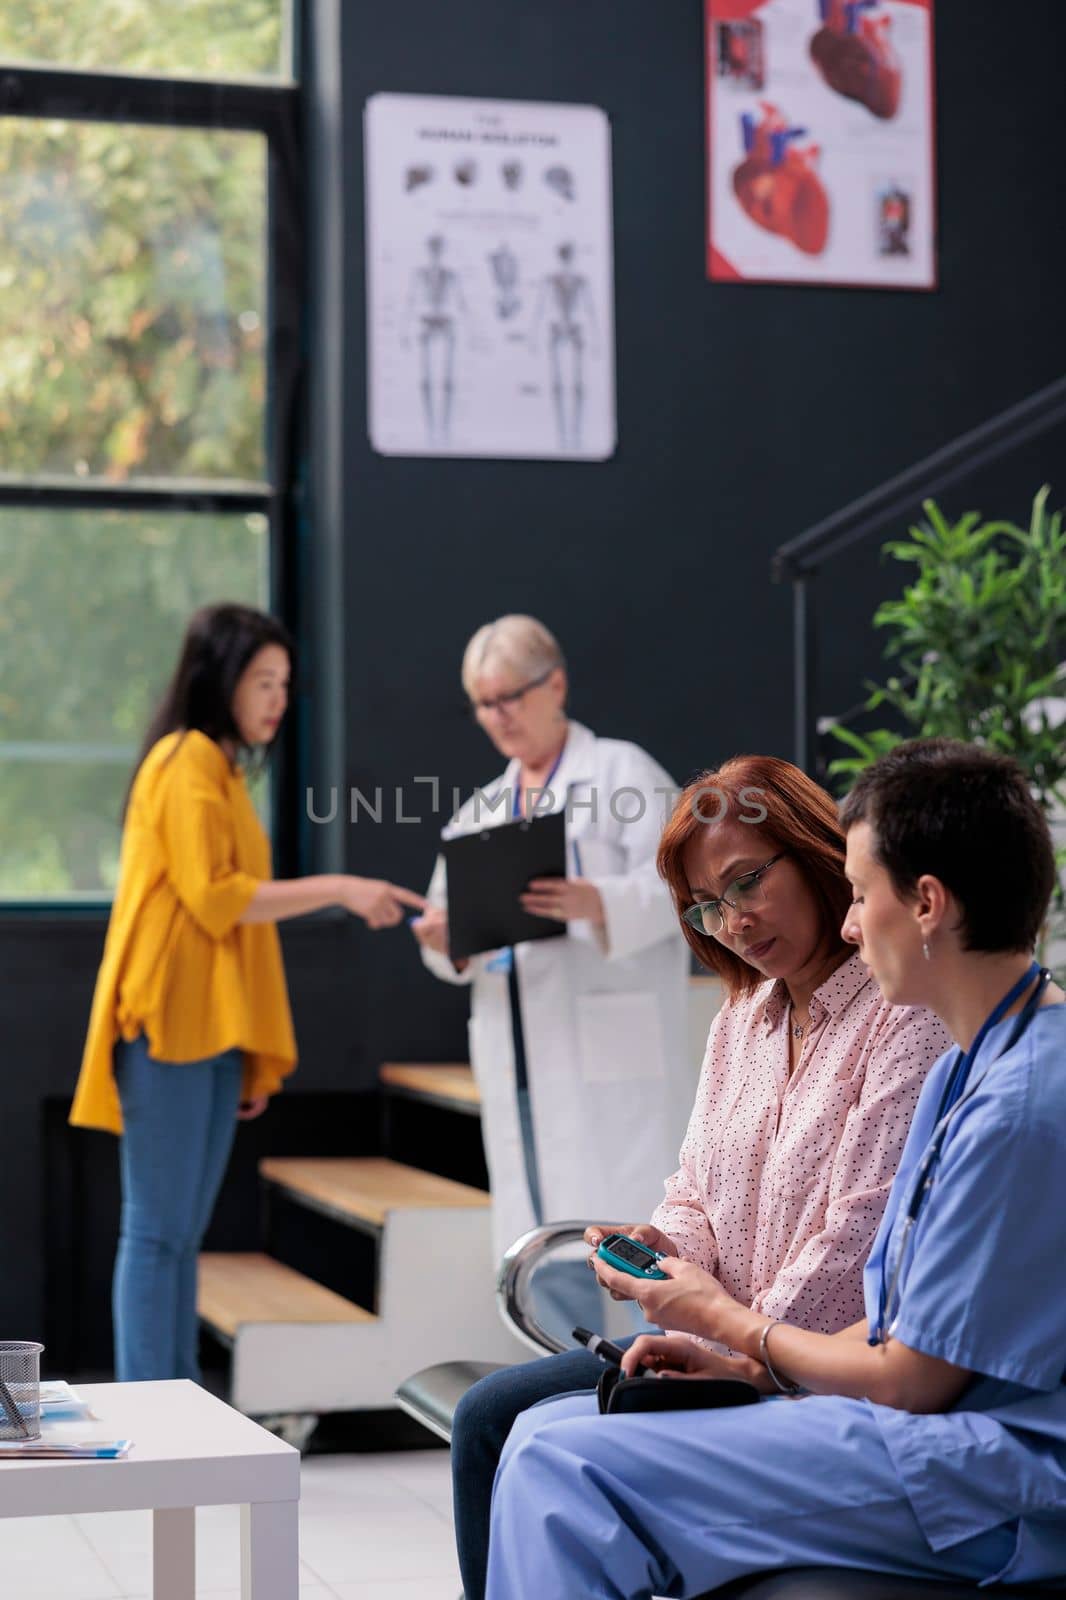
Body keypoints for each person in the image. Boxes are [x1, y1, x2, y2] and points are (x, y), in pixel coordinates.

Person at [484, 738, 1066, 1599]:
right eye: (709, 906)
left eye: (862, 895)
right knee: (535, 1440)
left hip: (988, 1472)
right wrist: (744, 1358)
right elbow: (893, 1321)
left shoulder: (1016, 1097)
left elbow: (911, 1373)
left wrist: (736, 1331)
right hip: (907, 1415)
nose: (849, 921)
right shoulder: (970, 1067)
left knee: (563, 1469)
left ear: (929, 904)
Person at [71, 603, 426, 1383]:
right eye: (262, 681)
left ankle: (176, 1397)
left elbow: (224, 910)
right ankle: (153, 1401)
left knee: (176, 1233)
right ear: (219, 679)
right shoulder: (185, 760)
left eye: (284, 683)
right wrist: (342, 887)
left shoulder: (218, 769)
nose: (276, 698)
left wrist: (245, 1049)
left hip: (209, 1030)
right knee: (157, 1232)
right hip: (169, 1024)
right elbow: (217, 898)